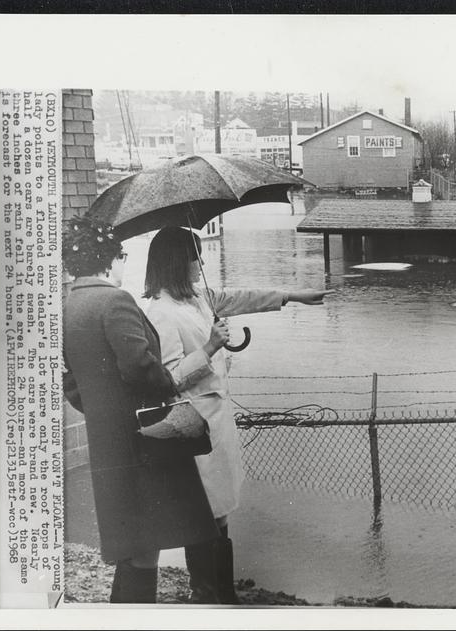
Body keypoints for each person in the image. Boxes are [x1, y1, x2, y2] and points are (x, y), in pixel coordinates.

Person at [143, 226, 332, 604]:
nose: (201, 263)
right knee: (206, 512)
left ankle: (221, 593)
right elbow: (168, 379)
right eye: (195, 256)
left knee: (222, 510)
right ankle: (210, 594)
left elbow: (240, 297)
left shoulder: (198, 298)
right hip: (195, 428)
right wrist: (211, 346)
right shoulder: (160, 313)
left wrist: (292, 296)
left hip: (217, 424)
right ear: (176, 262)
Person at [62, 217, 219, 603]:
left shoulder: (68, 304)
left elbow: (70, 382)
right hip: (142, 442)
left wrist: (103, 409)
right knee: (148, 543)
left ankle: (125, 618)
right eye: (121, 256)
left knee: (135, 543)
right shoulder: (115, 301)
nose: (122, 263)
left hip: (108, 438)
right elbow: (139, 367)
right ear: (108, 259)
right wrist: (170, 383)